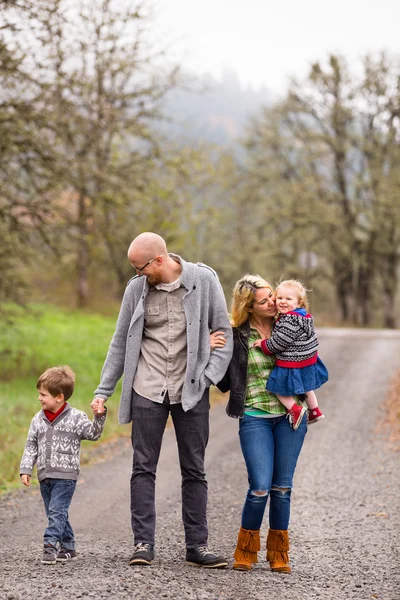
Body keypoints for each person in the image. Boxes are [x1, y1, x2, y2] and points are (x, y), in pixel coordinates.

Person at [91, 232, 233, 568]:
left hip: (191, 390)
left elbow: (223, 335)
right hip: (147, 388)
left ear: (159, 260)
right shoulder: (135, 290)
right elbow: (120, 343)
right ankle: (143, 543)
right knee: (142, 467)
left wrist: (208, 377)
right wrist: (103, 391)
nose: (137, 274)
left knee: (194, 469)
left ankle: (197, 546)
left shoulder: (203, 281)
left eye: (140, 267)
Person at [216, 274, 307, 573]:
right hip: (254, 416)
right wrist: (212, 348)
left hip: (290, 416)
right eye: (265, 300)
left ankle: (279, 552)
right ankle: (245, 549)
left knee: (282, 488)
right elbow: (223, 384)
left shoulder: (290, 323)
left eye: (272, 296)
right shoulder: (236, 334)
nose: (273, 302)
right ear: (249, 306)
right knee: (259, 488)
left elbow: (310, 359)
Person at [20, 366, 107, 565]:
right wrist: (26, 469)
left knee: (57, 512)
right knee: (55, 512)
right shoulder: (37, 419)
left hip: (66, 476)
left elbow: (93, 434)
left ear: (59, 397)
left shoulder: (76, 417)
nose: (39, 398)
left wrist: (99, 416)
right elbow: (31, 445)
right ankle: (68, 547)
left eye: (43, 395)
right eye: (39, 394)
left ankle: (50, 545)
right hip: (44, 475)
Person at [253, 279, 328, 429]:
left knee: (278, 388)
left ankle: (295, 409)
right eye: (279, 298)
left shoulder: (289, 320)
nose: (282, 302)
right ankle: (315, 410)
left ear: (299, 302)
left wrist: (263, 344)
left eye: (288, 299)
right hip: (307, 361)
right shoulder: (304, 317)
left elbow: (278, 342)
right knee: (307, 387)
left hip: (292, 362)